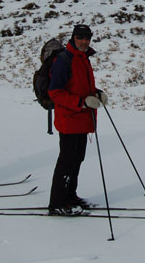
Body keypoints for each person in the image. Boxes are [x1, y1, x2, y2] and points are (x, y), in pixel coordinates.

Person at [47, 24, 109, 215]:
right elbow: (55, 92)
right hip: (69, 118)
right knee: (66, 161)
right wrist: (82, 102)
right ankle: (57, 203)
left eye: (87, 38)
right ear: (73, 38)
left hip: (82, 119)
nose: (84, 41)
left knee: (77, 159)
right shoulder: (63, 60)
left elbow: (81, 85)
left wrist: (97, 94)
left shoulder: (83, 58)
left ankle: (70, 196)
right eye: (80, 38)